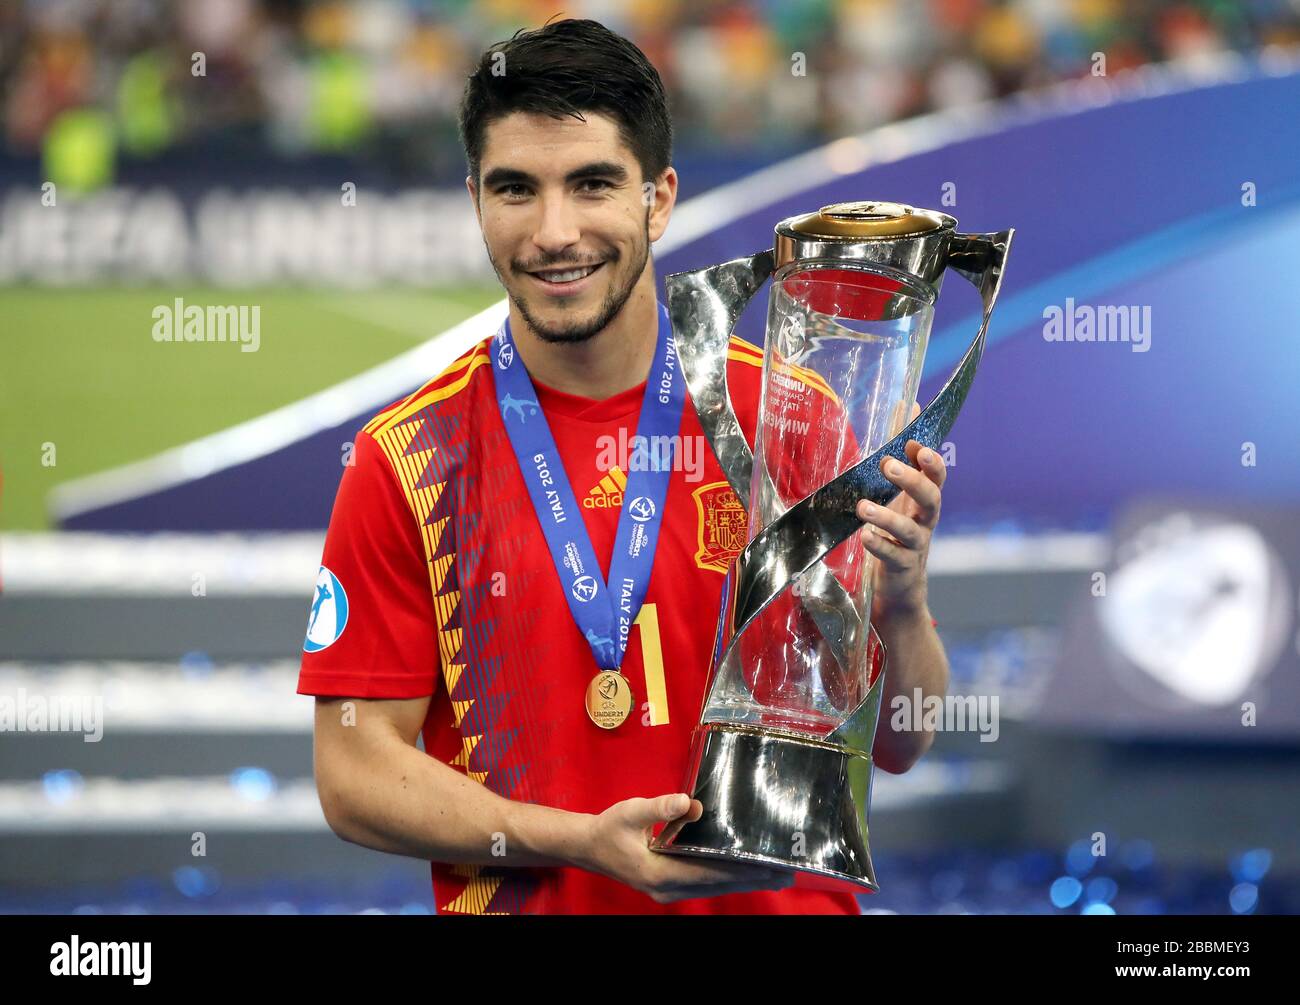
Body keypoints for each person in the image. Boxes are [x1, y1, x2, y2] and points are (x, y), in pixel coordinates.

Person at [298, 17, 951, 914]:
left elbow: (903, 741)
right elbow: (349, 769)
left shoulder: (793, 418)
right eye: (516, 189)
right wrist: (576, 842)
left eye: (593, 184)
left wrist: (906, 604)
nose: (554, 232)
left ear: (660, 197)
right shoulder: (409, 459)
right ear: (476, 199)